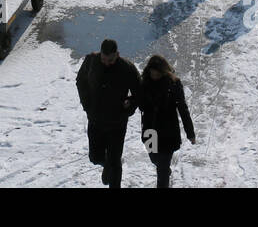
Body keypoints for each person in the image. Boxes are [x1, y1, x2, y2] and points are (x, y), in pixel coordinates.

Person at [76, 38, 140, 189]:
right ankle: (108, 166)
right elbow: (81, 81)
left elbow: (139, 91)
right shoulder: (91, 60)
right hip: (95, 121)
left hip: (117, 123)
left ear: (117, 54)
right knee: (95, 157)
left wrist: (129, 106)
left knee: (115, 161)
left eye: (110, 60)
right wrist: (87, 105)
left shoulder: (127, 68)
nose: (106, 63)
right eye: (104, 59)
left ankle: (112, 169)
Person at [138, 55, 196, 188]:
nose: (155, 76)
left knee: (162, 169)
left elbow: (183, 109)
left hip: (168, 132)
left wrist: (190, 133)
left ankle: (164, 173)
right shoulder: (144, 83)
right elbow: (139, 102)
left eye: (157, 74)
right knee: (155, 159)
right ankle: (164, 169)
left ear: (164, 72)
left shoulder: (173, 84)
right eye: (152, 74)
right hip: (150, 130)